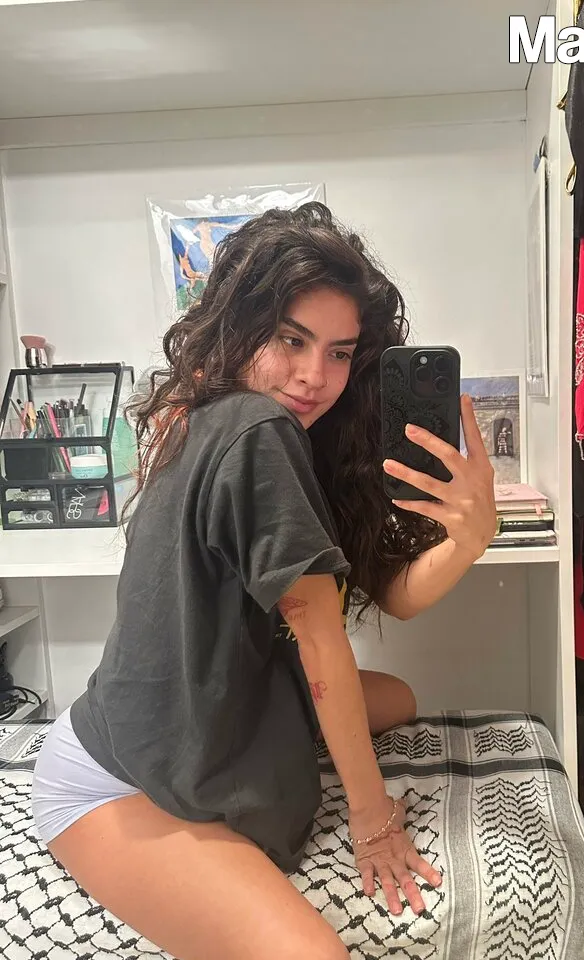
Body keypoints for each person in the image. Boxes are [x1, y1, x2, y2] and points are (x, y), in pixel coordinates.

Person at [31, 202, 497, 960]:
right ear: (242, 325)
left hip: (204, 701)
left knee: (399, 700)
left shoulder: (254, 424)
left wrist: (470, 539)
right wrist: (372, 820)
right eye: (291, 340)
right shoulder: (257, 430)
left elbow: (398, 598)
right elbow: (320, 641)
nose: (315, 376)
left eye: (340, 353)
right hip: (114, 776)